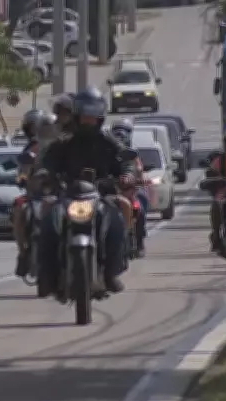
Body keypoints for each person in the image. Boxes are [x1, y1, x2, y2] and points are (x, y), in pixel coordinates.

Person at [39, 87, 135, 295]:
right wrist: (45, 174)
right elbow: (48, 162)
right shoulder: (64, 142)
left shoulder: (109, 141)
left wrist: (127, 174)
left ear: (100, 115)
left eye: (93, 114)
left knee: (124, 209)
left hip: (102, 195)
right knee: (46, 211)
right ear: (77, 114)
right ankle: (47, 274)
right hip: (68, 195)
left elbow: (125, 161)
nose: (89, 119)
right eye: (85, 113)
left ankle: (112, 270)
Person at [12, 109, 57, 277]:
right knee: (19, 211)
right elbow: (23, 169)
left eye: (51, 128)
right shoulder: (33, 148)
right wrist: (22, 178)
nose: (48, 132)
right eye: (44, 128)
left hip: (60, 195)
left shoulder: (64, 146)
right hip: (35, 194)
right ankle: (23, 251)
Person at [111, 118, 149, 256]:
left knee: (141, 208)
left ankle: (139, 242)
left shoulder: (133, 154)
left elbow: (138, 169)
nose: (120, 135)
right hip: (111, 190)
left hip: (130, 191)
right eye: (117, 131)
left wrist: (139, 178)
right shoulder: (108, 151)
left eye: (124, 131)